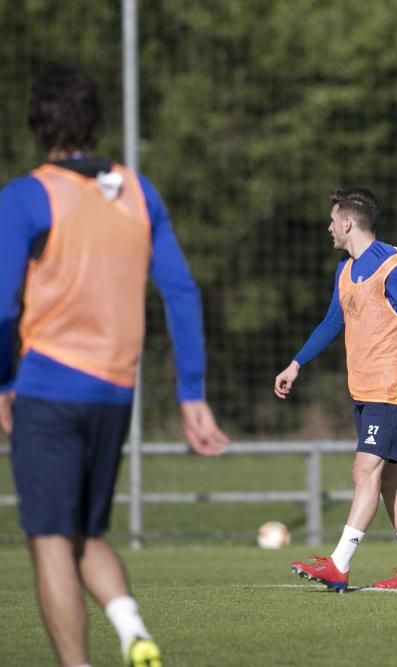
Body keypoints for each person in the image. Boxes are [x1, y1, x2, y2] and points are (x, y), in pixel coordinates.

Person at [0, 62, 229, 667]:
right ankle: (131, 630)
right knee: (85, 536)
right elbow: (181, 291)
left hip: (48, 391)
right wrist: (191, 393)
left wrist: (3, 382)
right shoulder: (137, 191)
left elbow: (0, 309)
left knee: (49, 540)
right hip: (114, 395)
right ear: (96, 123)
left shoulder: (25, 196)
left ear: (35, 123)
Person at [275, 187, 397, 592]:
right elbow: (333, 322)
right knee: (389, 479)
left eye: (333, 219)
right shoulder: (345, 268)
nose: (329, 226)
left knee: (364, 469)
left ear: (348, 222)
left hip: (392, 386)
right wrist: (296, 363)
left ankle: (339, 563)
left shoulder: (392, 266)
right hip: (365, 388)